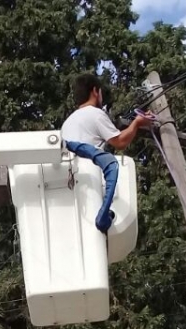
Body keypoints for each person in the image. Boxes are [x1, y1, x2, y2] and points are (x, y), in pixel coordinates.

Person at [60, 72, 154, 233]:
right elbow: (120, 141)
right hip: (90, 179)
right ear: (95, 91)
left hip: (70, 185)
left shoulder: (67, 123)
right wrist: (137, 123)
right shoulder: (95, 114)